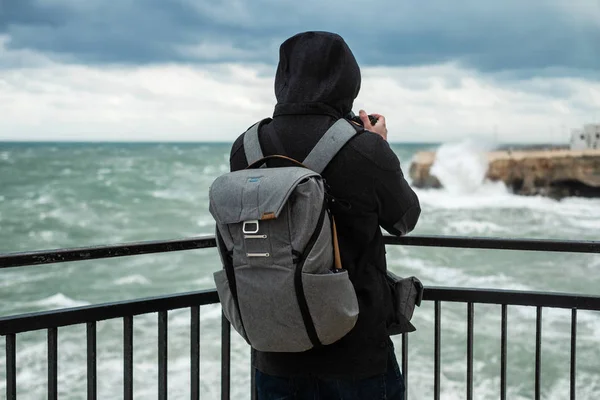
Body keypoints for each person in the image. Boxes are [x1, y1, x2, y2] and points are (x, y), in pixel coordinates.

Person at [229, 31, 421, 400]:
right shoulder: (364, 148)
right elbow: (404, 220)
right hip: (356, 350)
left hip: (275, 349)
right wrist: (378, 146)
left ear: (282, 79)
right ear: (349, 80)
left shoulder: (246, 148)